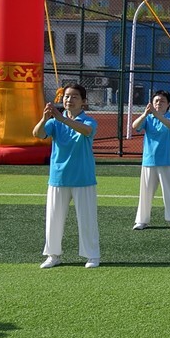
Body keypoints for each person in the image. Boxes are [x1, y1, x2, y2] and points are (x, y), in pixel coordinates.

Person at [33, 84, 100, 268]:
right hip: (58, 177)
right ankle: (53, 255)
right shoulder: (54, 122)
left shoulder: (89, 121)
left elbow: (86, 131)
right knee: (53, 219)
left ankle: (92, 255)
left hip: (83, 178)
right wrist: (45, 118)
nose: (69, 100)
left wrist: (60, 118)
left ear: (83, 101)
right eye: (66, 96)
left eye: (74, 97)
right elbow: (37, 134)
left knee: (87, 219)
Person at [131, 89, 170, 231]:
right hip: (149, 161)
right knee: (145, 193)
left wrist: (156, 114)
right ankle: (141, 220)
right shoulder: (148, 118)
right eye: (156, 101)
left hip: (167, 161)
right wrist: (145, 114)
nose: (159, 103)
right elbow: (135, 126)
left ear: (168, 104)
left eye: (162, 101)